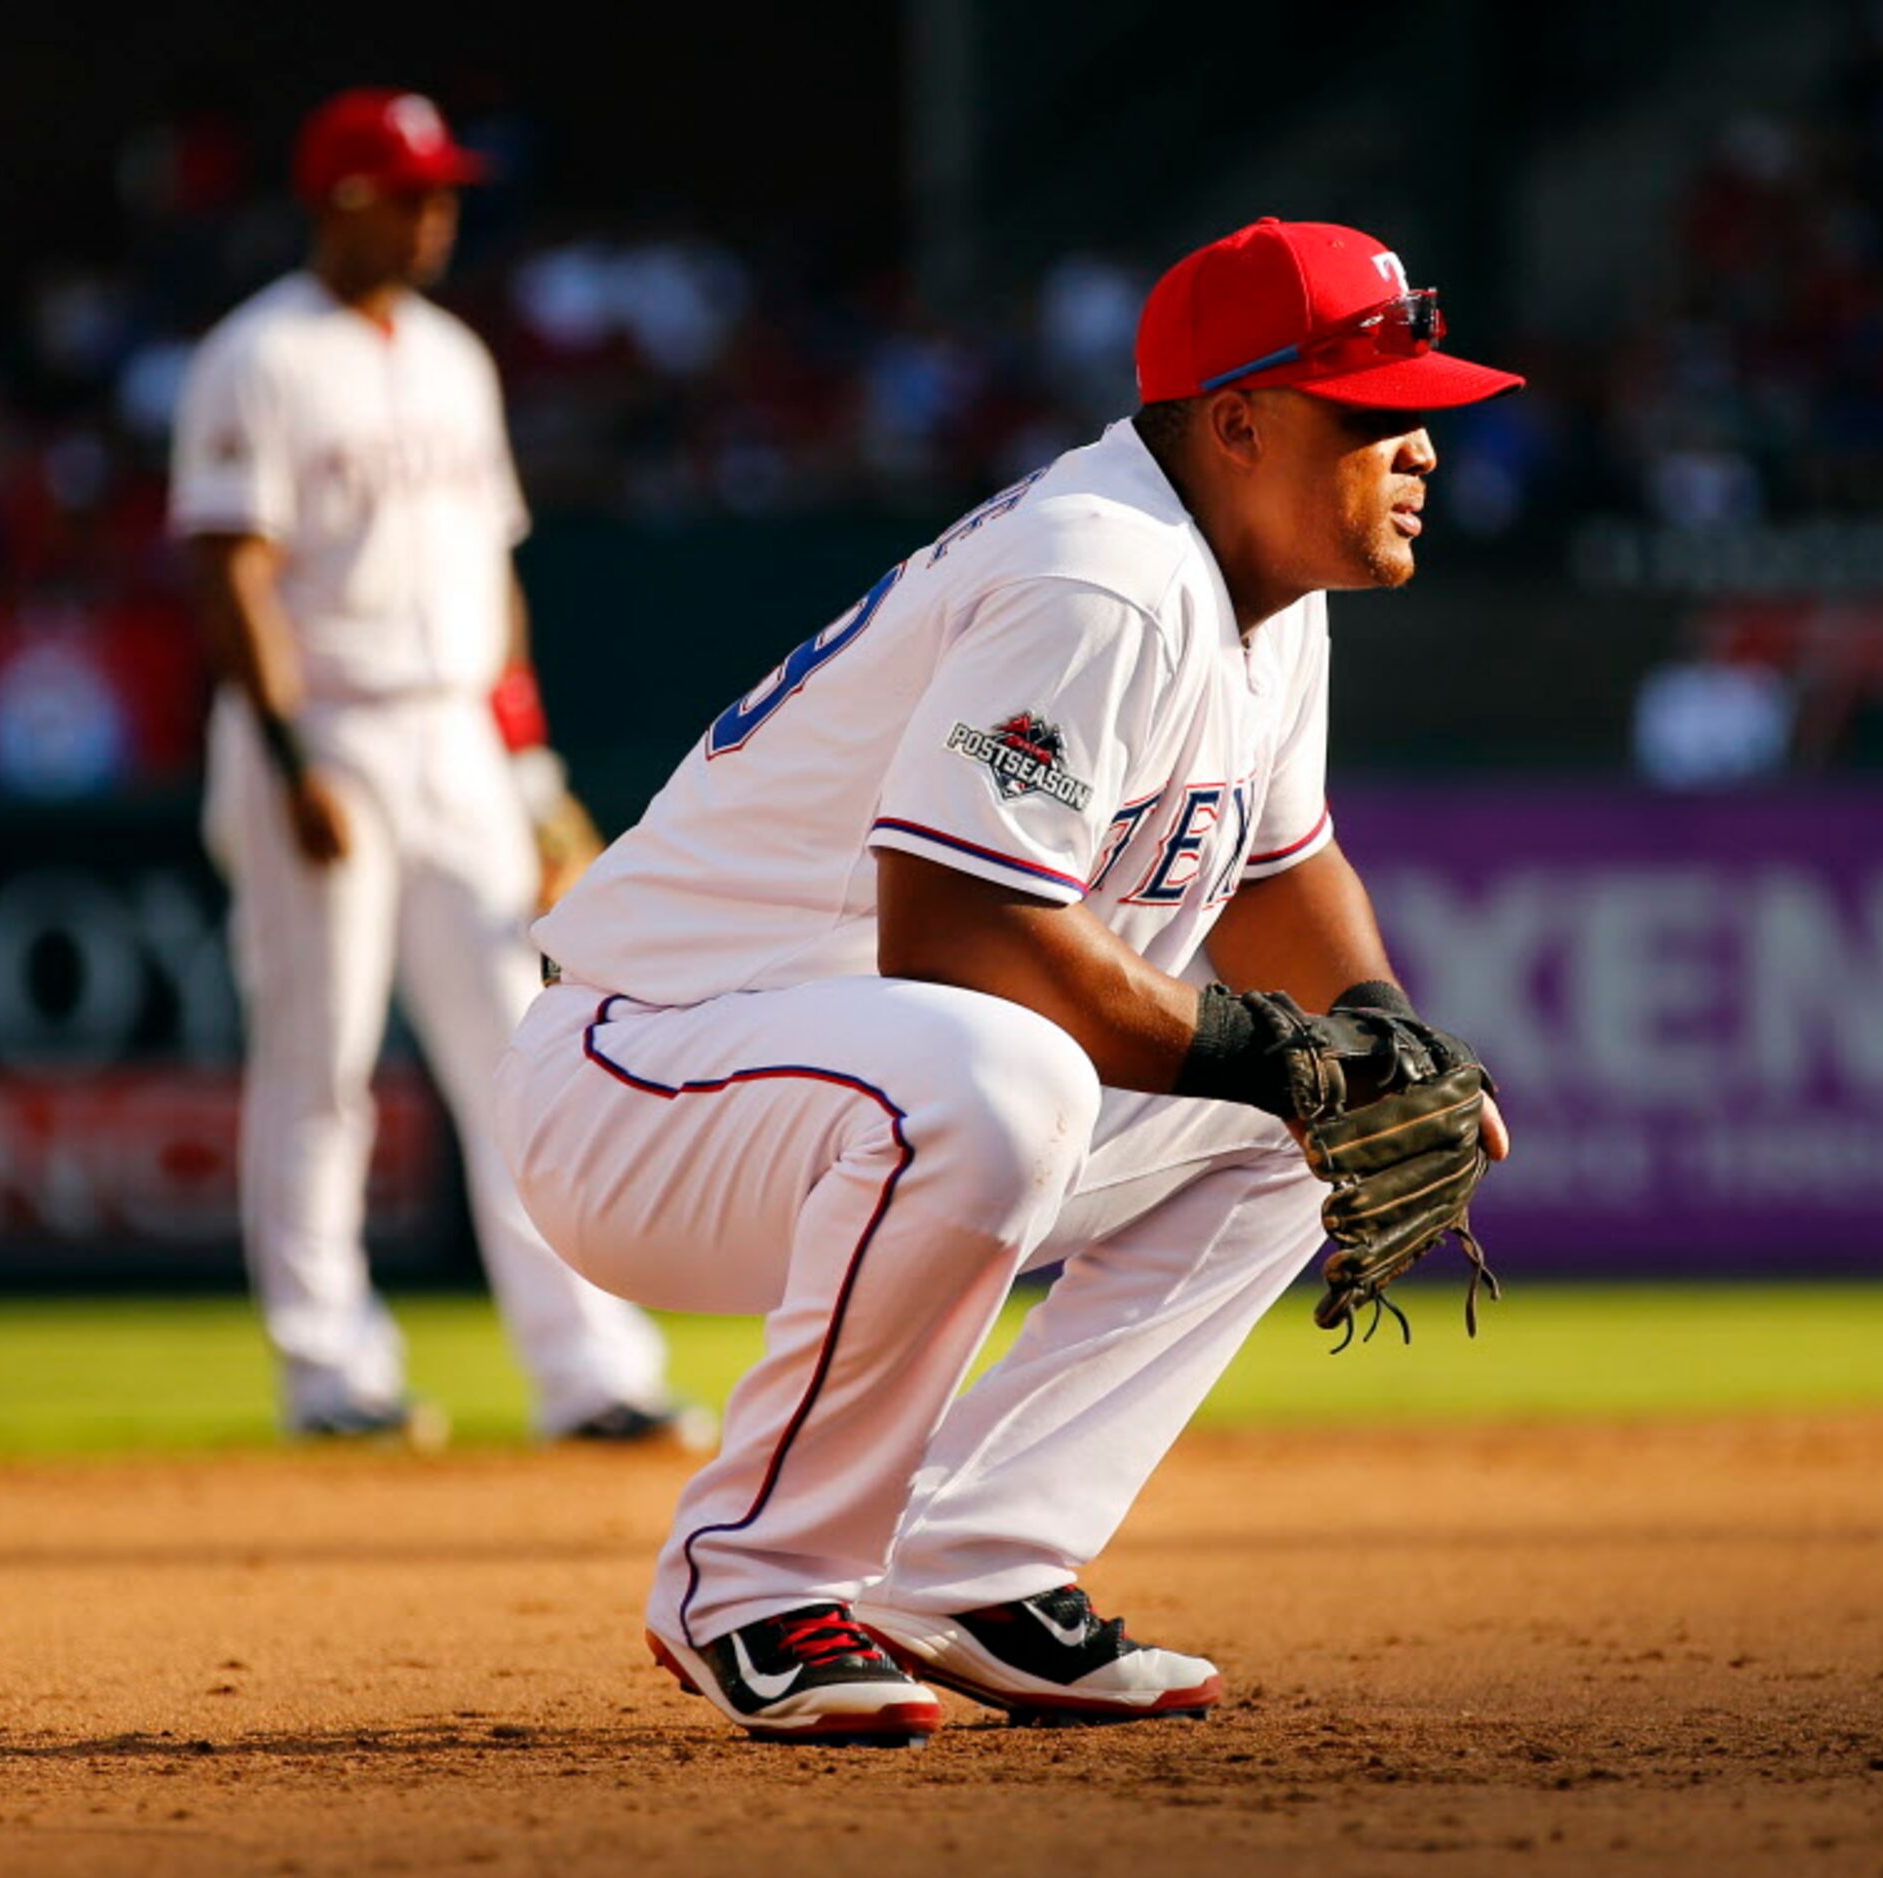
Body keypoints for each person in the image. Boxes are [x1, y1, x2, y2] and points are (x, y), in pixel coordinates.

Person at [494, 218, 1518, 1740]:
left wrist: (1379, 1037)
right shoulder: (1097, 572)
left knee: (1294, 1120)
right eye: (1372, 412)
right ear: (1236, 422)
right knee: (1023, 1066)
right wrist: (1283, 1049)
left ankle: (973, 1558)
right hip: (647, 1075)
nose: (1421, 441)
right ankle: (746, 1578)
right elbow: (961, 936)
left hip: (850, 1083)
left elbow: (1283, 871)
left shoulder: (1258, 591)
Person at [170, 89, 691, 1445]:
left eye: (444, 188)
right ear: (345, 199)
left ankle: (590, 1370)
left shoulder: (457, 355)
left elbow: (491, 575)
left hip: (457, 724)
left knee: (521, 1052)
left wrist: (525, 769)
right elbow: (232, 572)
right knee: (320, 1058)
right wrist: (288, 761)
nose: (440, 211)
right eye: (416, 190)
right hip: (326, 722)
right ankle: (330, 1371)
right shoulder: (256, 356)